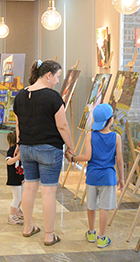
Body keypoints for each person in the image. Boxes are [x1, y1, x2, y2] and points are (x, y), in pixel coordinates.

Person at [13, 60, 75, 246]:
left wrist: (19, 143)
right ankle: (49, 235)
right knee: (48, 192)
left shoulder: (20, 95)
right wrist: (71, 147)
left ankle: (28, 227)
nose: (57, 81)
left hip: (26, 148)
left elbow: (18, 125)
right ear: (49, 75)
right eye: (57, 76)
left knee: (29, 187)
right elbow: (62, 125)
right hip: (49, 149)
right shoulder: (53, 97)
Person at [72, 104, 124, 248]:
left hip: (92, 176)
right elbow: (119, 161)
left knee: (91, 206)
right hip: (108, 177)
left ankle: (91, 233)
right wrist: (121, 178)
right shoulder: (116, 137)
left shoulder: (90, 135)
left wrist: (73, 158)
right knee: (104, 208)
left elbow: (87, 156)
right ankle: (102, 238)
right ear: (110, 120)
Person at [6, 130, 24, 225]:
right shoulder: (12, 150)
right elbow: (9, 162)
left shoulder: (23, 149)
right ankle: (12, 217)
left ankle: (17, 210)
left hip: (21, 177)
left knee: (22, 196)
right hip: (14, 178)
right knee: (17, 197)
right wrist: (17, 157)